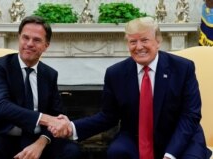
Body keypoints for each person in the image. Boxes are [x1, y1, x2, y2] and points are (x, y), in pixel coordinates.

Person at [49, 17, 212, 159]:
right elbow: (108, 116)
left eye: (144, 40)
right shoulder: (116, 73)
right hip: (137, 137)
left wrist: (170, 155)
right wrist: (72, 127)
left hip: (180, 137)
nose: (138, 47)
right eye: (133, 41)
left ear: (158, 41)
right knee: (117, 151)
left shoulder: (183, 68)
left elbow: (190, 116)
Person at [0, 15, 80, 159]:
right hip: (3, 135)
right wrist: (45, 119)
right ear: (19, 38)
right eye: (25, 37)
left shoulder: (49, 74)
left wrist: (41, 143)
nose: (29, 43)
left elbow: (56, 115)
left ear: (46, 45)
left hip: (37, 137)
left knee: (71, 151)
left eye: (37, 40)